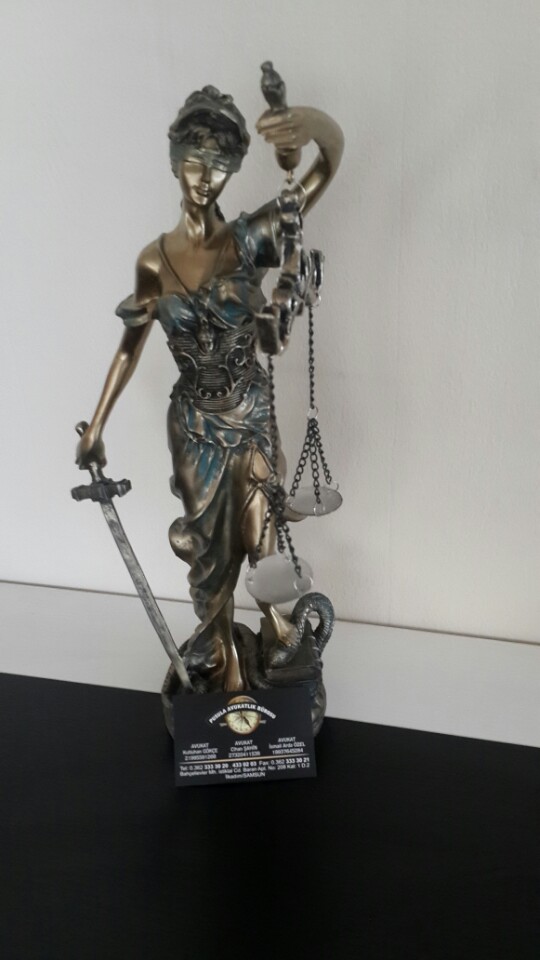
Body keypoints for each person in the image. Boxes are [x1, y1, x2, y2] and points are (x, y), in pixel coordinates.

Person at [76, 84, 343, 692]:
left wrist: (309, 123)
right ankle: (222, 650)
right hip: (194, 425)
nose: (206, 177)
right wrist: (97, 426)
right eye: (196, 161)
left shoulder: (251, 239)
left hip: (249, 413)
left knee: (263, 534)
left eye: (220, 165)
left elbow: (328, 162)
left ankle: (277, 631)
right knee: (207, 548)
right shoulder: (153, 261)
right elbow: (130, 346)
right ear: (176, 161)